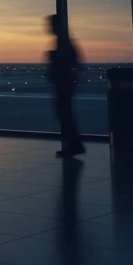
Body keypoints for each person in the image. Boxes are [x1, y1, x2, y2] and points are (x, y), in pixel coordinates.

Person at [46, 14, 85, 158]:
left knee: (64, 114)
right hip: (64, 83)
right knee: (65, 114)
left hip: (63, 84)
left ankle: (74, 144)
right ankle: (74, 144)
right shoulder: (64, 42)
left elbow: (66, 63)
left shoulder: (63, 43)